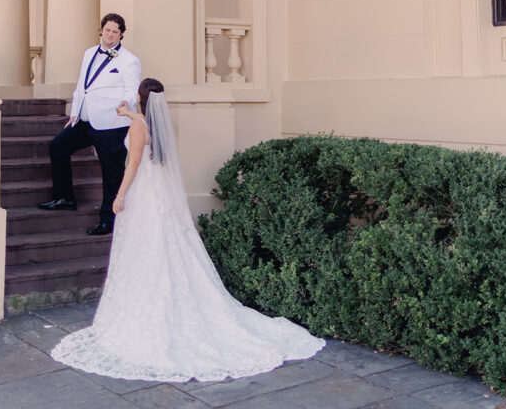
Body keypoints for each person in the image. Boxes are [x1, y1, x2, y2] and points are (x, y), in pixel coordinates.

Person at [50, 78, 324, 382]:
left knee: (145, 249)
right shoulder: (152, 124)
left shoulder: (139, 126)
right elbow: (141, 129)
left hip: (143, 192)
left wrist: (120, 195)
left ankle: (149, 309)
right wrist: (128, 113)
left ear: (140, 97)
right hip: (158, 193)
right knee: (161, 245)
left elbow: (134, 163)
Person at [38, 13, 141, 236]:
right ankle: (65, 197)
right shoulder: (89, 53)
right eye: (107, 30)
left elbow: (132, 89)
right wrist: (75, 113)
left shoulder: (129, 60)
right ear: (101, 30)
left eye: (115, 31)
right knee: (57, 147)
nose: (110, 34)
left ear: (121, 34)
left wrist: (126, 103)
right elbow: (81, 86)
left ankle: (109, 220)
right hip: (84, 119)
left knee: (111, 173)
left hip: (111, 123)